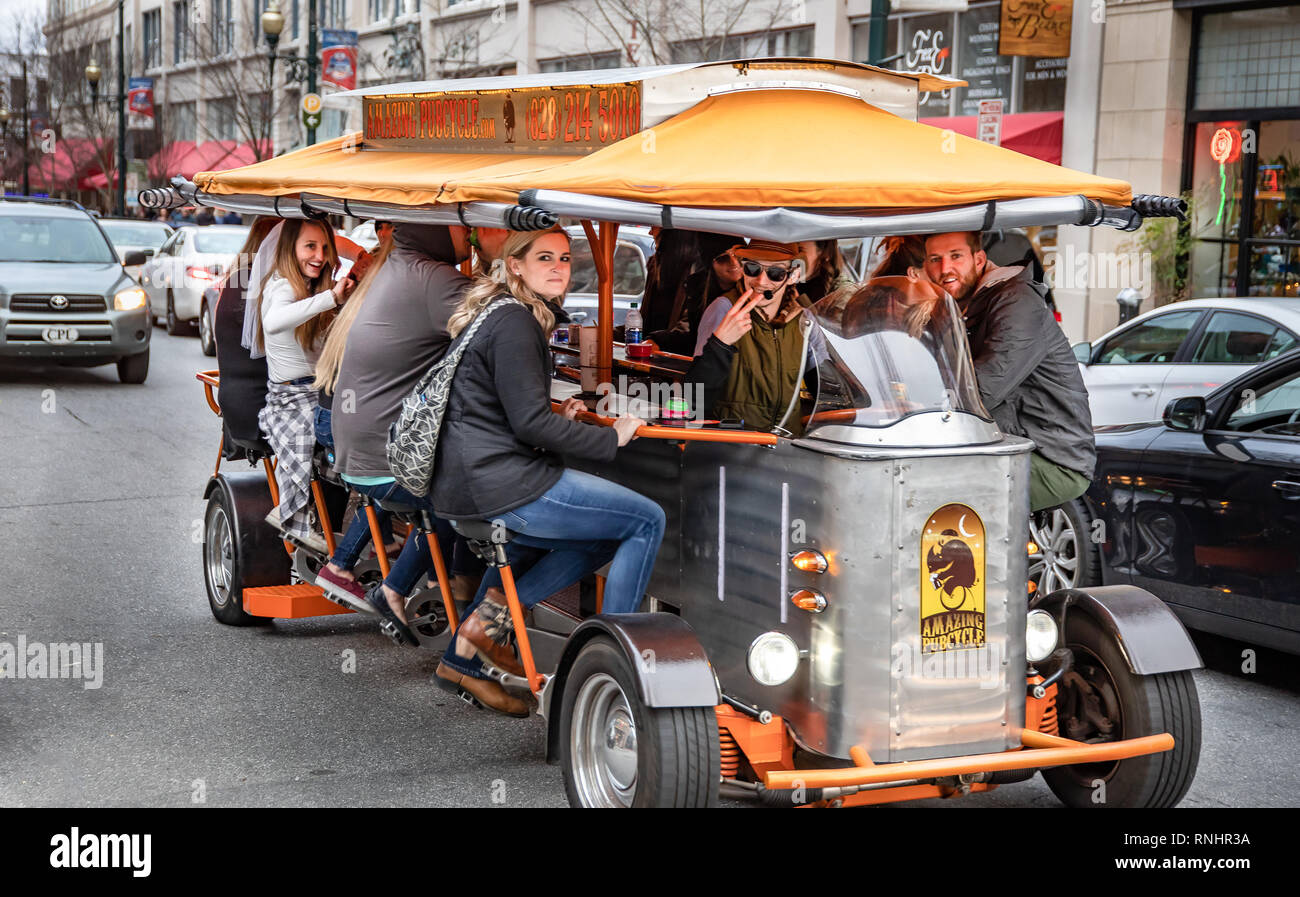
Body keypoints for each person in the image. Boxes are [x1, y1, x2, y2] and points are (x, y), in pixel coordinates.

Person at [432, 227, 660, 716]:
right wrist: (610, 436)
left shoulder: (501, 311)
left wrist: (558, 418)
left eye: (564, 258)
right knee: (646, 521)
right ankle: (613, 669)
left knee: (601, 537)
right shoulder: (516, 322)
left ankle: (467, 650)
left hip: (475, 477)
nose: (559, 267)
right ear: (515, 265)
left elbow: (503, 410)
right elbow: (526, 422)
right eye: (544, 258)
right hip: (500, 482)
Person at [328, 224, 482, 648]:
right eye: (461, 223)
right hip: (386, 459)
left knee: (456, 489)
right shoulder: (436, 279)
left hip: (359, 453)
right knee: (472, 497)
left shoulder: (398, 266)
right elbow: (500, 337)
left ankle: (428, 591)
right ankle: (470, 621)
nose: (467, 231)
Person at [921, 231, 1094, 512]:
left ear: (978, 260)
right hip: (1004, 443)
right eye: (935, 259)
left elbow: (983, 390)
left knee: (934, 490)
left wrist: (917, 408)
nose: (945, 268)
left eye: (955, 256)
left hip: (1051, 457)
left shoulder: (1017, 303)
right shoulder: (963, 306)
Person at [253, 219, 356, 548]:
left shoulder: (313, 290)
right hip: (288, 398)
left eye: (325, 248)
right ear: (290, 249)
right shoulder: (281, 285)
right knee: (312, 435)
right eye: (310, 246)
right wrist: (331, 298)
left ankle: (340, 527)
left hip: (318, 393)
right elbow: (273, 321)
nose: (320, 256)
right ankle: (293, 515)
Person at [686, 240, 819, 436]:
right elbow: (694, 397)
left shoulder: (805, 320)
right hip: (733, 442)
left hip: (784, 445)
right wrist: (720, 344)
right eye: (753, 268)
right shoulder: (724, 309)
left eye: (775, 273)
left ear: (793, 276)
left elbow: (827, 386)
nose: (761, 281)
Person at [793, 240, 854, 304]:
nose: (790, 258)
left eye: (799, 250)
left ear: (826, 253)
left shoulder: (843, 294)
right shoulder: (789, 282)